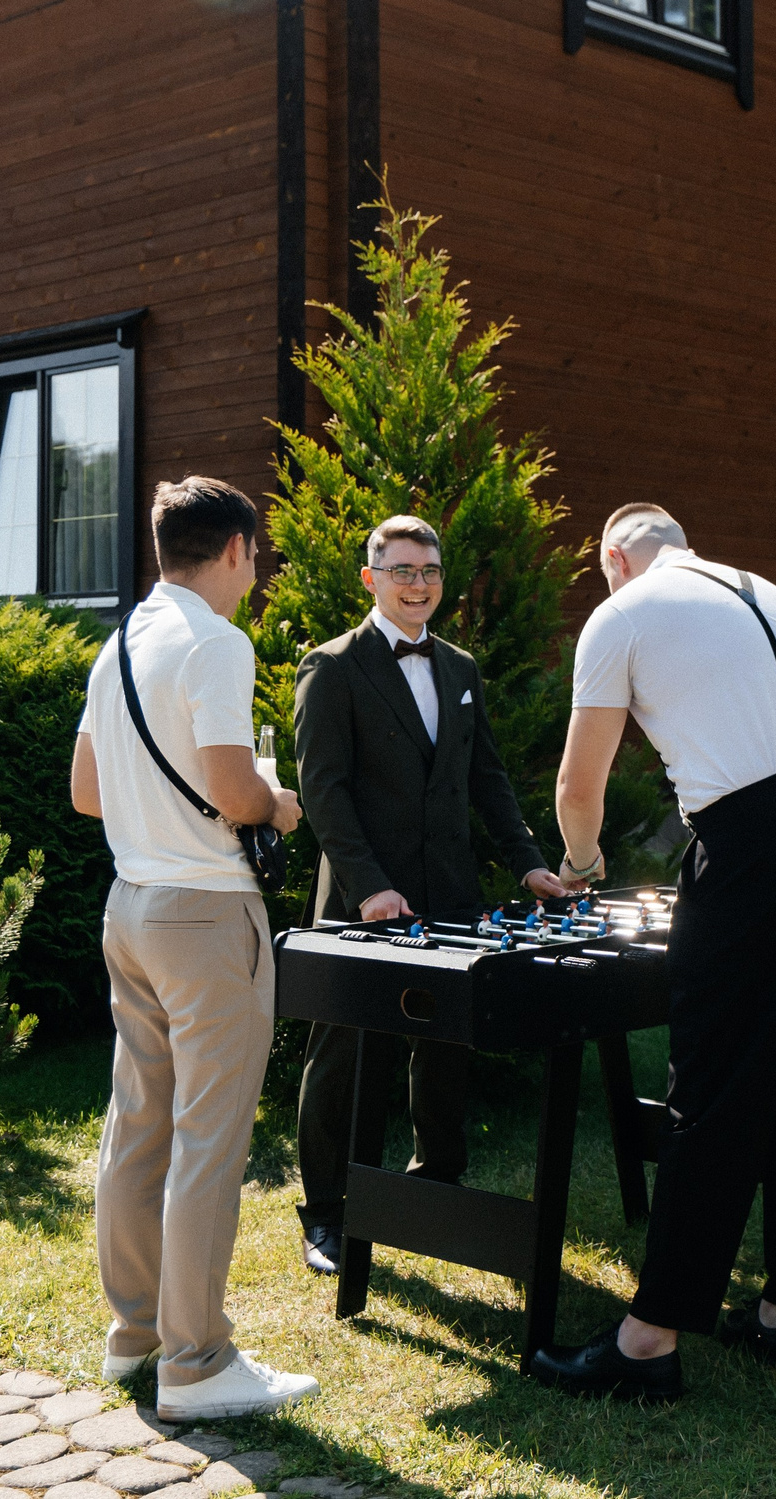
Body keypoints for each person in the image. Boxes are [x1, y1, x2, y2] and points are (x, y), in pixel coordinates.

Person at [533, 503, 776, 1402]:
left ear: (615, 556)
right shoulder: (775, 594)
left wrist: (580, 861)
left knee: (715, 1083)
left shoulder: (622, 612)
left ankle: (648, 1342)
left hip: (751, 839)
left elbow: (579, 780)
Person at [68, 475, 320, 1421]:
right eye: (254, 554)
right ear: (233, 551)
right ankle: (198, 1362)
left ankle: (134, 1335)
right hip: (207, 914)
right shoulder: (217, 642)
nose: (254, 571)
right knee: (209, 1139)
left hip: (129, 904)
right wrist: (276, 799)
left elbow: (87, 791)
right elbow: (229, 786)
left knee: (138, 1124)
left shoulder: (120, 641)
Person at [291, 515, 572, 1275]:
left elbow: (489, 779)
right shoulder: (331, 666)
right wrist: (371, 886)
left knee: (447, 1041)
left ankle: (436, 1182)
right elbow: (324, 791)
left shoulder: (461, 667)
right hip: (364, 900)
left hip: (449, 894)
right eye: (403, 570)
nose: (419, 585)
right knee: (346, 1053)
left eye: (431, 571)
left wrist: (528, 863)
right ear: (370, 578)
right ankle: (326, 1212)